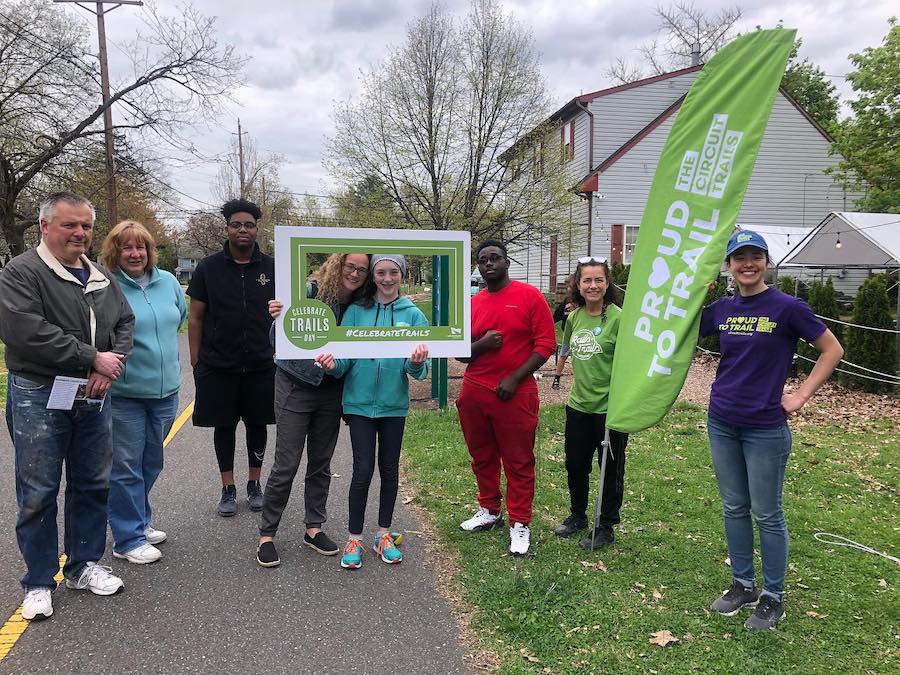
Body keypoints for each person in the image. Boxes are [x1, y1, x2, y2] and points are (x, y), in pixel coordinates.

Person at [0, 192, 134, 620]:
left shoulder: (101, 277)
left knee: (93, 483)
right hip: (40, 393)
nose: (80, 233)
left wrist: (108, 367)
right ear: (45, 227)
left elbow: (125, 324)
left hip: (93, 394)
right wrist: (90, 356)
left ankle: (82, 565)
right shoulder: (21, 272)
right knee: (38, 491)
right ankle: (39, 581)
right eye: (69, 225)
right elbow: (25, 332)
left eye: (86, 226)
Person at [700, 230, 843, 631]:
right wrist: (696, 290)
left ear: (766, 262)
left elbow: (832, 350)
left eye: (755, 256)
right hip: (722, 420)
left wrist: (800, 396)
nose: (747, 264)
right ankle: (743, 584)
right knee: (733, 507)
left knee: (767, 513)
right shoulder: (722, 309)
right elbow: (683, 329)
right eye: (739, 257)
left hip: (764, 426)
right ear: (729, 265)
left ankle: (773, 597)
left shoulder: (787, 307)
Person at [256, 252, 371, 568]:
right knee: (286, 463)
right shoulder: (310, 292)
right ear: (339, 265)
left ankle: (313, 528)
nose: (356, 273)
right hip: (295, 382)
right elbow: (276, 339)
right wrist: (279, 316)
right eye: (351, 266)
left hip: (332, 389)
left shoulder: (364, 305)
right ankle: (267, 535)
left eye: (363, 269)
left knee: (321, 462)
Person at [316, 254, 429, 570]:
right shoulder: (355, 312)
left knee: (389, 469)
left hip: (394, 405)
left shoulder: (414, 315)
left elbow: (418, 372)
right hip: (360, 405)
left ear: (402, 274)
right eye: (381, 272)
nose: (387, 278)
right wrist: (330, 365)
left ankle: (383, 535)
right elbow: (343, 362)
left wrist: (417, 362)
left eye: (394, 272)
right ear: (373, 276)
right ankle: (355, 538)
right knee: (363, 470)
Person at [457, 240, 556, 556]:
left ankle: (520, 523)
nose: (489, 264)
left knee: (518, 461)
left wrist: (515, 377)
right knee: (481, 454)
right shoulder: (473, 303)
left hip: (515, 393)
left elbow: (546, 344)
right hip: (475, 390)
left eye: (495, 258)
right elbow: (460, 354)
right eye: (483, 259)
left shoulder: (529, 296)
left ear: (507, 262)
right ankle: (490, 509)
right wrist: (481, 345)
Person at [101, 221, 187, 564]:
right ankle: (127, 538)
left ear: (150, 251)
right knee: (124, 467)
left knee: (151, 461)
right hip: (126, 394)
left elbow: (177, 318)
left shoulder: (167, 281)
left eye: (141, 247)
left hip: (166, 392)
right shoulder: (106, 286)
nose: (135, 254)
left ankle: (139, 519)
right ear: (115, 252)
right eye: (126, 248)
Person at [187, 199, 275, 517]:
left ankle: (254, 483)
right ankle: (228, 487)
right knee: (223, 426)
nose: (243, 230)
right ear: (227, 229)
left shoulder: (272, 268)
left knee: (257, 424)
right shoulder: (208, 269)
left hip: (261, 365)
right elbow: (195, 317)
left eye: (248, 225)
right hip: (218, 365)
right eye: (236, 224)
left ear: (256, 230)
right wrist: (196, 361)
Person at [550, 258, 629, 550]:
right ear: (578, 285)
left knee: (610, 469)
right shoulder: (574, 318)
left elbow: (631, 362)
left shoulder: (621, 319)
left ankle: (606, 525)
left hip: (610, 410)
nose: (593, 286)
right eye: (587, 281)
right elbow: (567, 348)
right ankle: (577, 516)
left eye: (598, 280)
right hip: (579, 407)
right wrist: (557, 375)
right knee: (575, 464)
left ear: (607, 284)